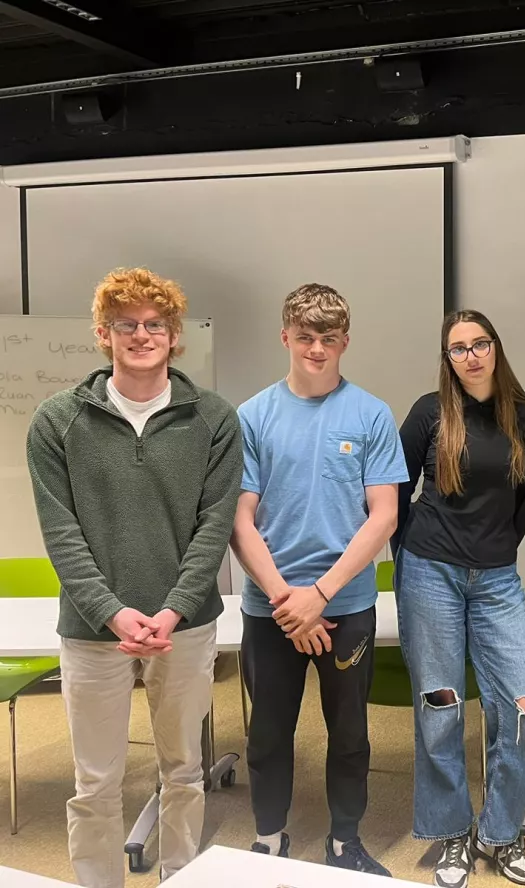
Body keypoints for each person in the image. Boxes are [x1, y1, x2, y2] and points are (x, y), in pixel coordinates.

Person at [27, 267, 243, 888]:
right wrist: (112, 611)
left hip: (187, 627)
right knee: (95, 781)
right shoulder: (57, 420)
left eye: (155, 325)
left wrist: (172, 610)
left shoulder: (214, 419)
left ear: (175, 337)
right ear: (104, 333)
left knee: (182, 770)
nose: (142, 335)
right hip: (93, 632)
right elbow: (60, 531)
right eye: (128, 324)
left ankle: (181, 877)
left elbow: (214, 526)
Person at [230, 283, 406, 876]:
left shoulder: (371, 414)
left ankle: (345, 844)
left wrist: (321, 594)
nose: (316, 349)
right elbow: (240, 520)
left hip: (346, 605)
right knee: (269, 736)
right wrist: (289, 602)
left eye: (328, 339)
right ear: (285, 337)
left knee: (351, 734)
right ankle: (269, 839)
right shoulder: (252, 416)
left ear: (345, 342)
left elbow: (384, 515)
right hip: (271, 608)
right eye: (305, 337)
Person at [394, 309, 525, 888]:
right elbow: (394, 490)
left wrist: (497, 547)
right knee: (441, 706)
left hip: (497, 578)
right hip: (430, 571)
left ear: (496, 348)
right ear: (447, 358)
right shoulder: (430, 413)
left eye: (480, 344)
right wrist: (411, 551)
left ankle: (502, 832)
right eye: (459, 349)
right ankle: (452, 831)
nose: (472, 355)